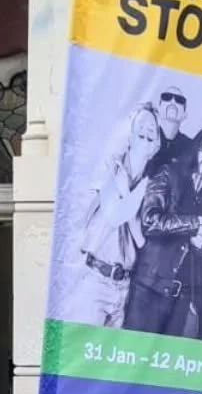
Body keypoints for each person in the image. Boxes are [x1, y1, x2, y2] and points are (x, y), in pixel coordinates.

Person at [62, 103, 161, 327]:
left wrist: (125, 191)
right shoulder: (110, 165)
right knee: (83, 348)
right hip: (95, 281)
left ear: (156, 145)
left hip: (124, 288)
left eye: (152, 129)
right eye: (141, 125)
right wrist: (129, 201)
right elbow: (113, 215)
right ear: (130, 137)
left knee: (110, 351)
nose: (147, 129)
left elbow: (141, 240)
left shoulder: (150, 184)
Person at [124, 126, 202, 337]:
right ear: (196, 149)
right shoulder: (169, 174)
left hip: (182, 300)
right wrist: (192, 225)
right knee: (134, 352)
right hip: (149, 290)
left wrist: (200, 245)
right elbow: (150, 221)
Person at [145, 86, 192, 178]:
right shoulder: (145, 138)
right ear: (159, 108)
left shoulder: (190, 148)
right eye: (166, 97)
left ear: (185, 115)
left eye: (179, 100)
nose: (173, 101)